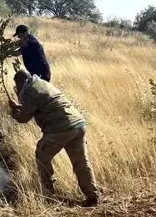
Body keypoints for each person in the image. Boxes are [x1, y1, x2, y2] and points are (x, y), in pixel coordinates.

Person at [8, 69, 100, 207]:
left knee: (42, 155)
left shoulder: (28, 90)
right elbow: (40, 103)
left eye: (17, 86)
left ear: (20, 83)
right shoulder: (42, 83)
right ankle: (93, 196)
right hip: (78, 124)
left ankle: (49, 193)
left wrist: (15, 111)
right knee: (81, 162)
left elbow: (24, 118)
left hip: (60, 128)